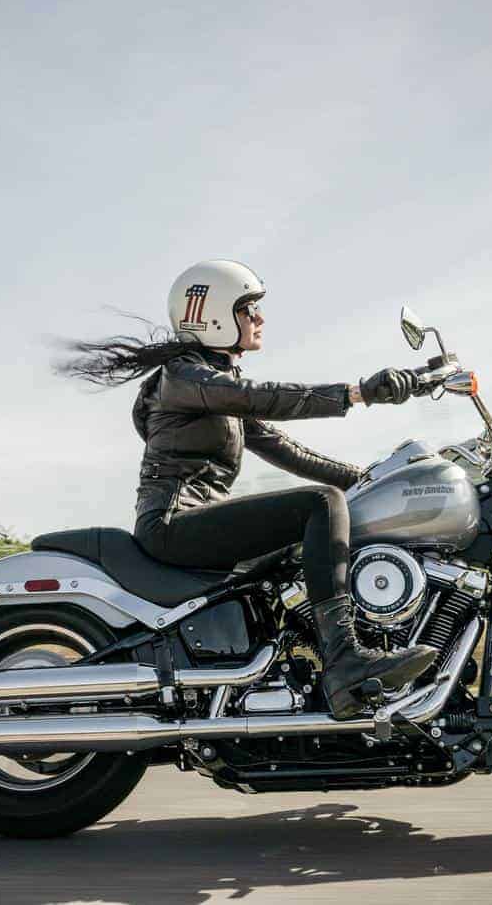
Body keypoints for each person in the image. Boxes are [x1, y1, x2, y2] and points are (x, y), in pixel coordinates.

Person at [59, 259, 436, 719]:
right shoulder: (186, 377)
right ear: (214, 315)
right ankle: (345, 663)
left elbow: (287, 451)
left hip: (197, 518)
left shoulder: (215, 388)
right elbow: (264, 397)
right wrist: (357, 392)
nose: (259, 319)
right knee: (320, 504)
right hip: (174, 524)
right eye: (248, 309)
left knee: (317, 527)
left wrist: (369, 479)